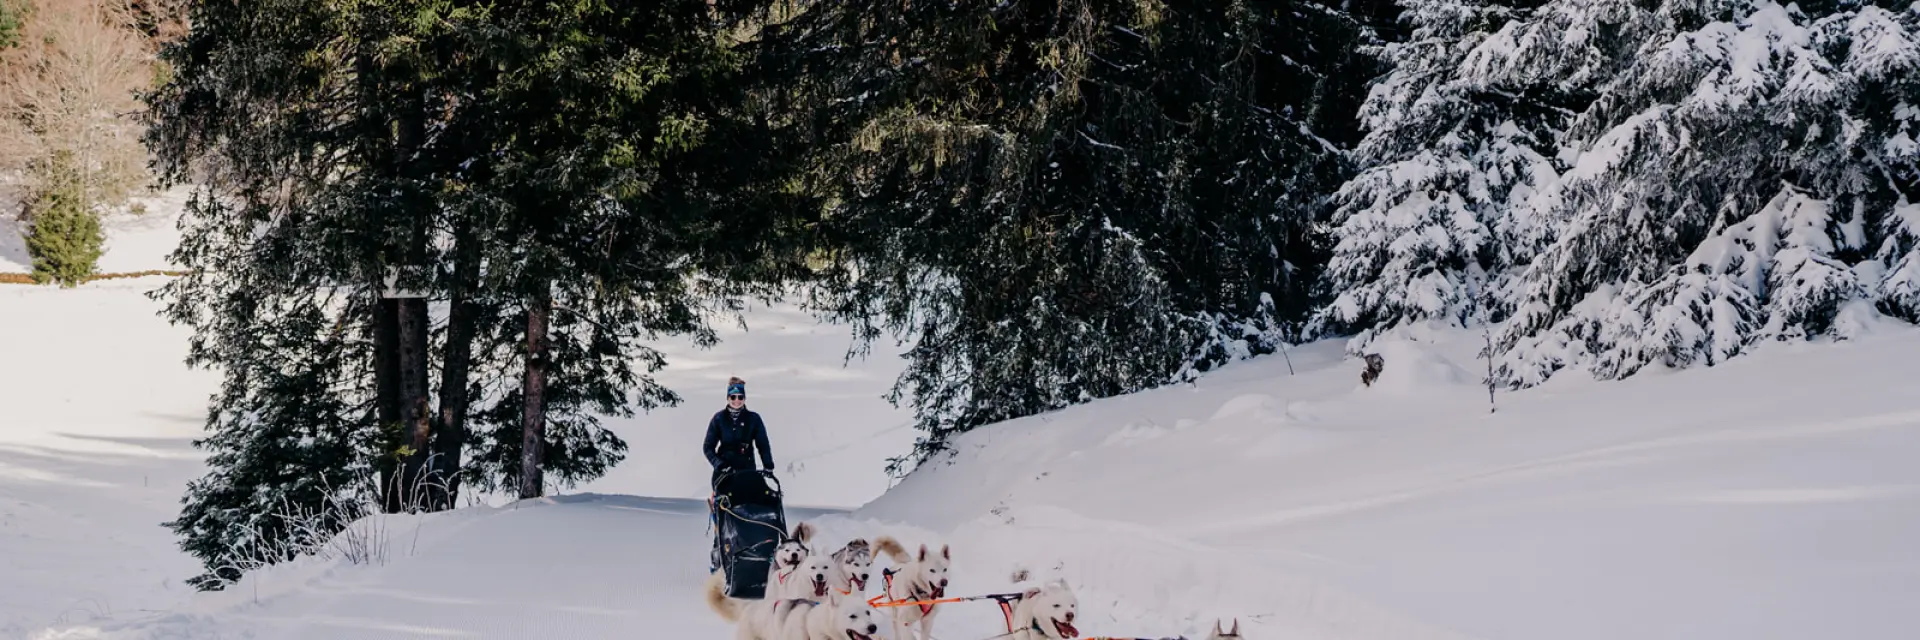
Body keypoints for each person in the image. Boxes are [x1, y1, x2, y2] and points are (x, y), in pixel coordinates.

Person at [706, 376, 775, 573]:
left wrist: (768, 466)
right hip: (724, 475)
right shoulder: (718, 419)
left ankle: (754, 549)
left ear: (745, 398)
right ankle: (719, 553)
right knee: (723, 511)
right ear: (727, 398)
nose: (736, 401)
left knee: (750, 510)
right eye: (733, 397)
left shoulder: (754, 419)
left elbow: (763, 443)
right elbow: (708, 447)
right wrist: (719, 464)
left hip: (747, 473)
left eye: (740, 397)